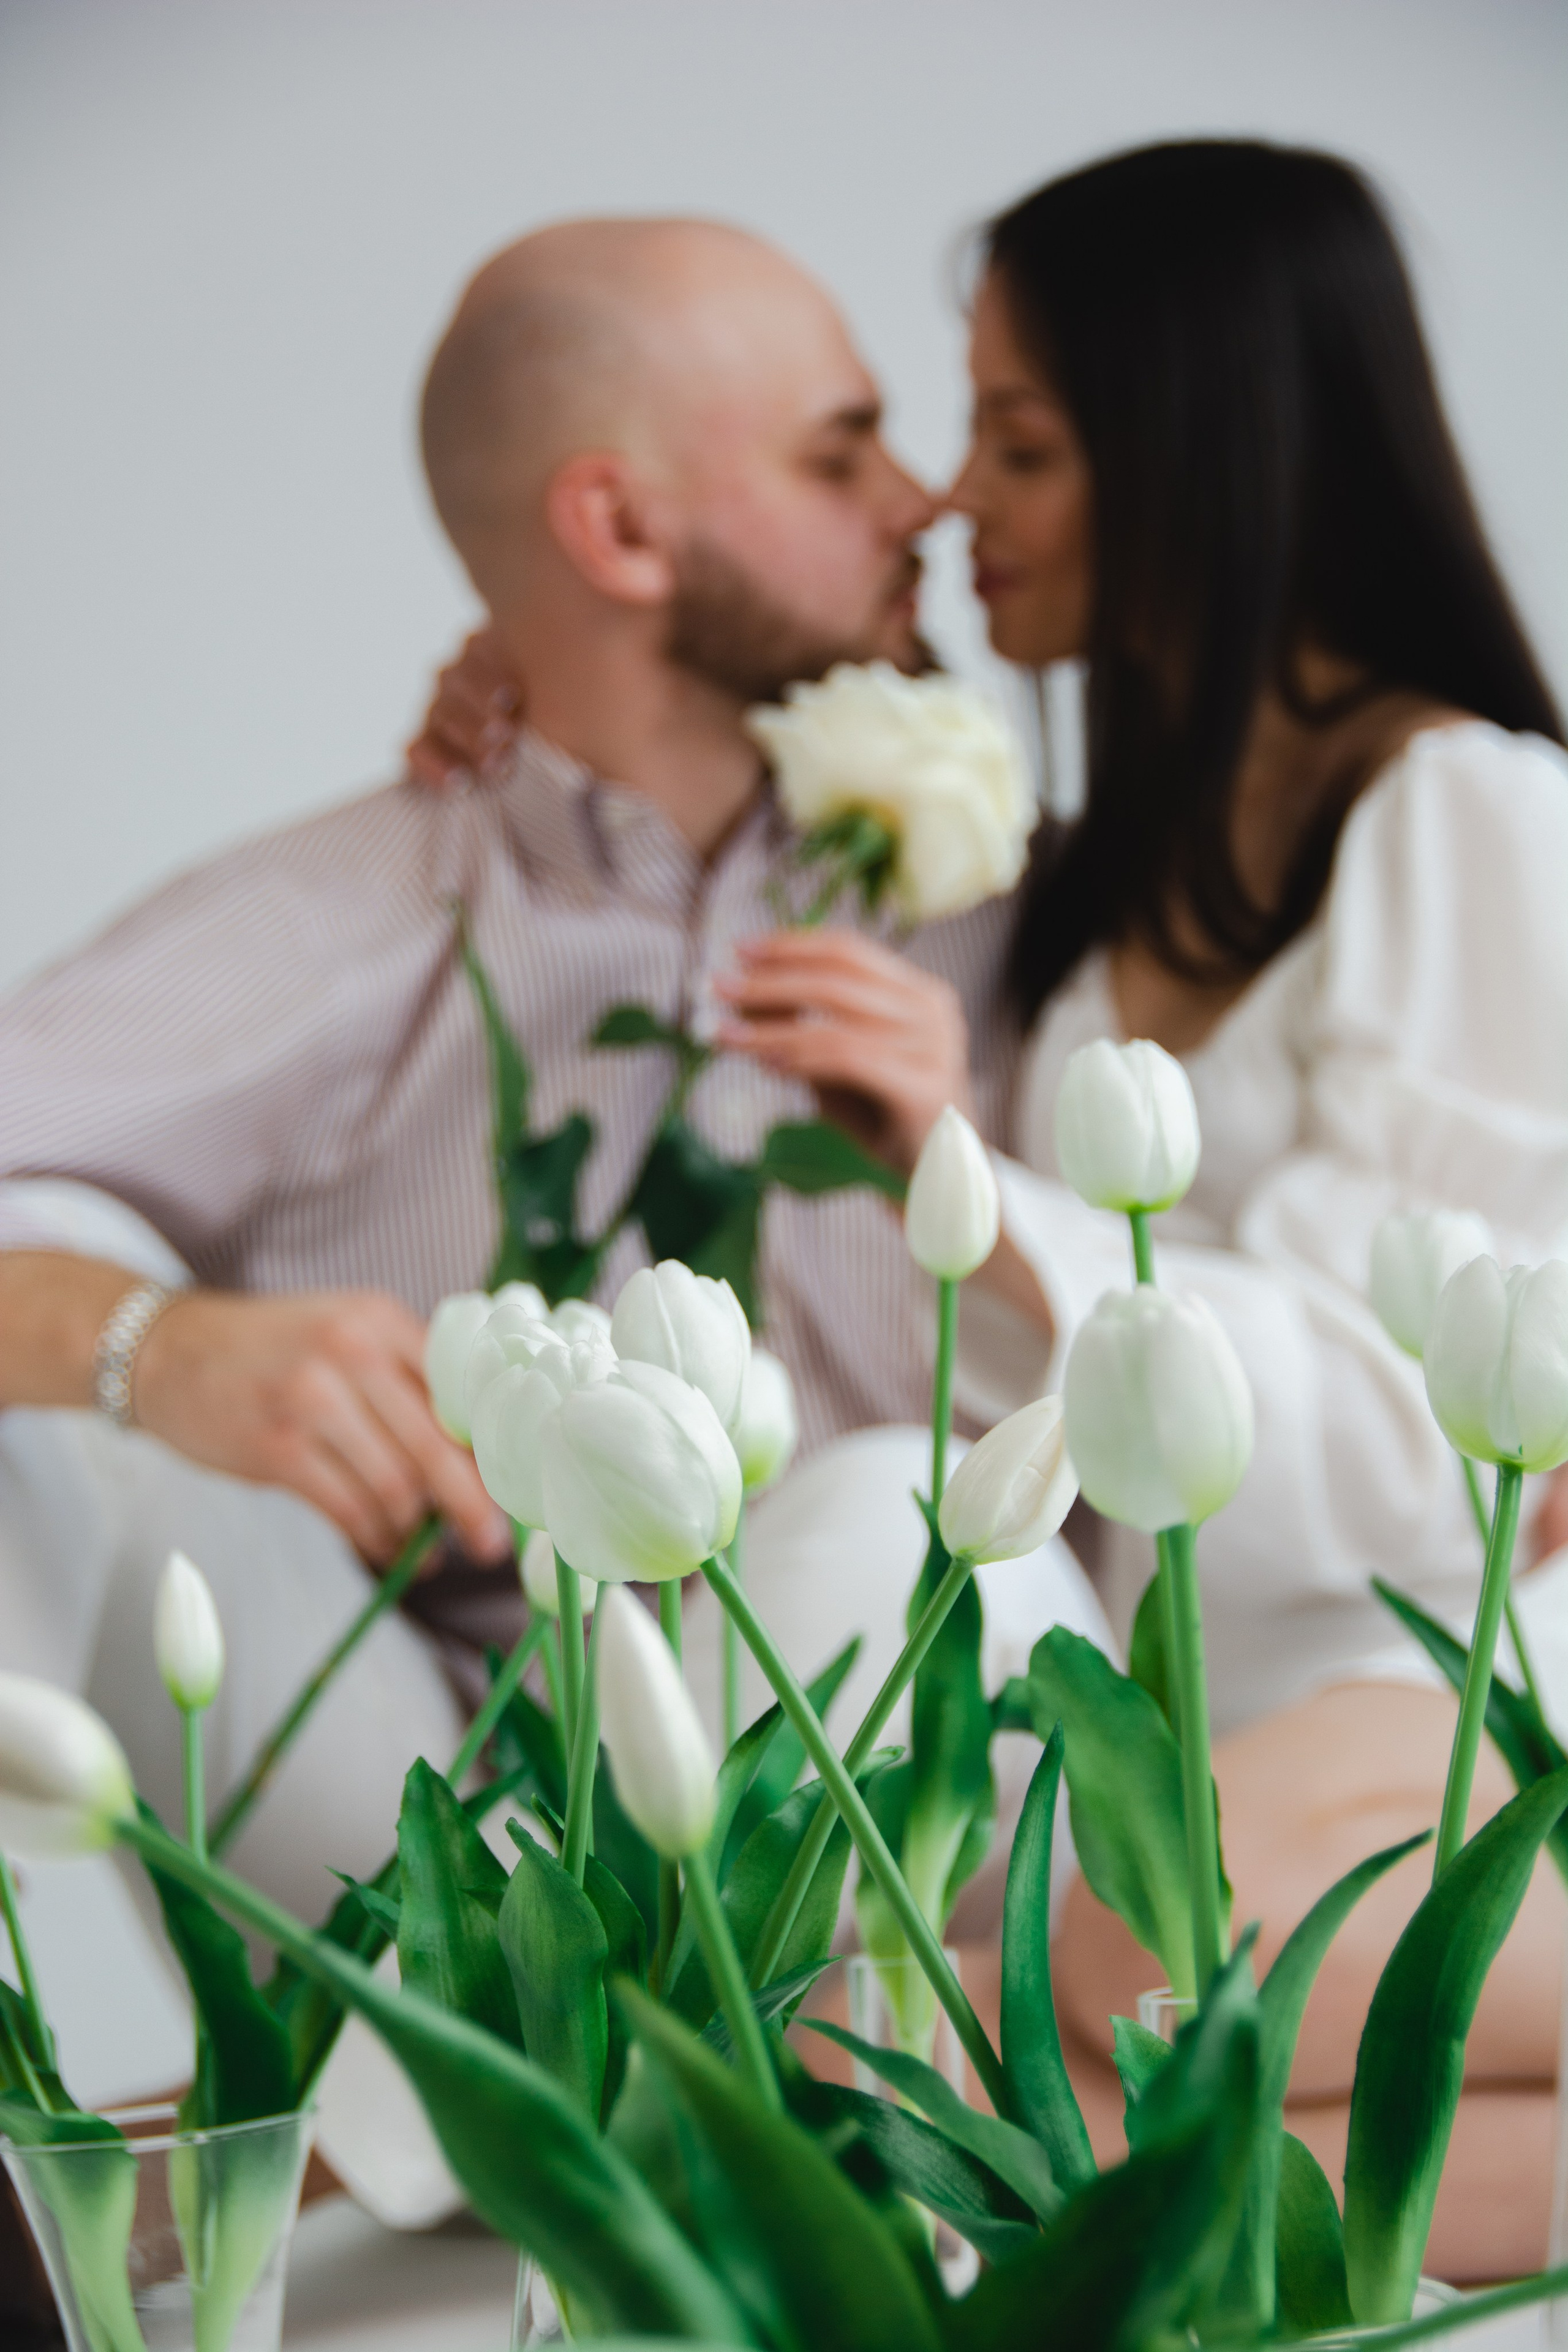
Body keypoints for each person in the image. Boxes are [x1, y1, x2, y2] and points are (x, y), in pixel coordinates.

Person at [0, 218, 1098, 1972]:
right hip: (418, 1805)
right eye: (841, 454)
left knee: (914, 1516)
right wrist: (158, 1348)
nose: (924, 502)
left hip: (866, 1821)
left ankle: (525, 2091)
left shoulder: (1049, 912)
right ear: (620, 530)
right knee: (59, 1350)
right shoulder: (339, 918)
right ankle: (529, 2051)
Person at [669, 145, 1568, 2276]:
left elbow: (1445, 1430)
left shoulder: (1466, 815)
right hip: (1199, 1682)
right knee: (939, 2063)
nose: (957, 498)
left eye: (1022, 441)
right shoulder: (1096, 892)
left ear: (1199, 449)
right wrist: (507, 701)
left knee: (1104, 1983)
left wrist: (983, 1196)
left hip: (1461, 1655)